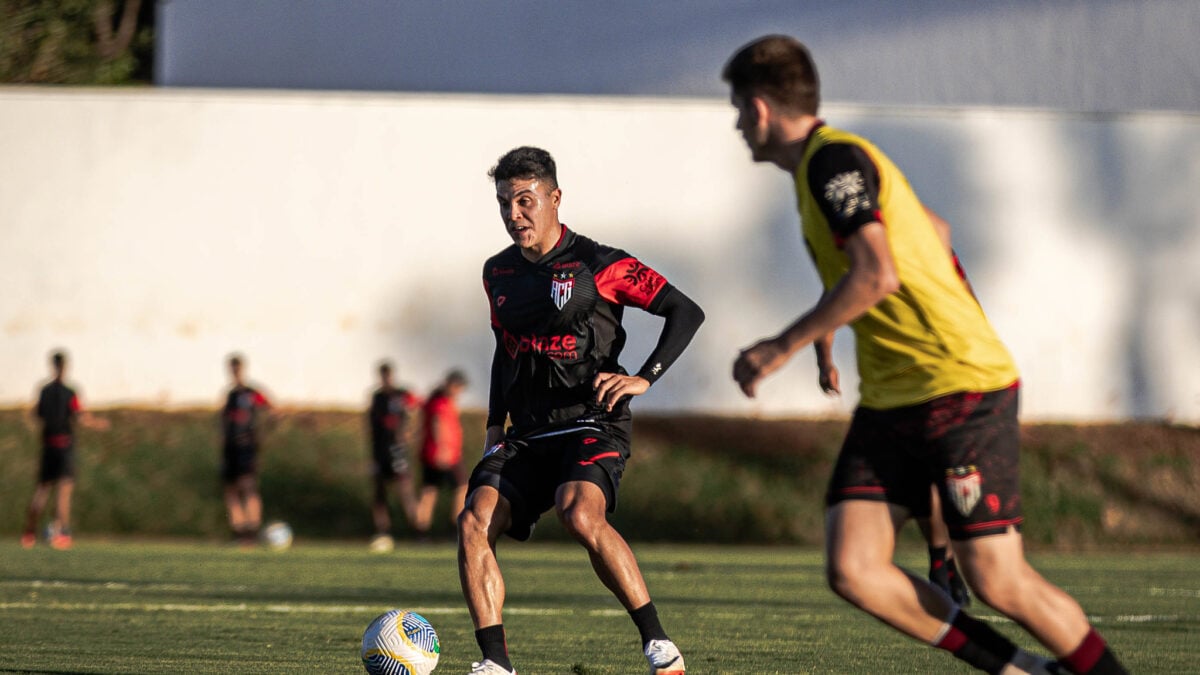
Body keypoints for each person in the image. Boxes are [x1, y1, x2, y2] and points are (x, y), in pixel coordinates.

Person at [724, 35, 1125, 675]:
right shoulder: (819, 173)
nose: (739, 126)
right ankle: (1021, 670)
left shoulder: (833, 163)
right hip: (894, 399)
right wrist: (833, 326)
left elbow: (877, 273)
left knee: (998, 579)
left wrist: (782, 345)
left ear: (762, 108)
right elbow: (927, 232)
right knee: (854, 568)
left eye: (739, 110)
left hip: (958, 386)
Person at [460, 146, 705, 675]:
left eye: (524, 201)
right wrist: (491, 424)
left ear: (554, 198)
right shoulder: (497, 273)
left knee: (578, 511)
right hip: (526, 430)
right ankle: (495, 663)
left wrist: (644, 377)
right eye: (504, 203)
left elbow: (685, 311)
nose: (513, 214)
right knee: (474, 519)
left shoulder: (600, 264)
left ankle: (658, 642)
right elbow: (506, 351)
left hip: (591, 419)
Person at [816, 333, 970, 607]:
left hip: (935, 387)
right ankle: (941, 564)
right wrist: (824, 361)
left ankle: (941, 565)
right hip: (881, 400)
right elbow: (827, 311)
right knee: (914, 483)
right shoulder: (858, 290)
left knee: (929, 477)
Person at [21, 350, 108, 550]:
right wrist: (98, 424)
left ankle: (29, 533)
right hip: (64, 445)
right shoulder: (70, 392)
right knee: (64, 491)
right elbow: (80, 416)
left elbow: (35, 414)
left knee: (42, 489)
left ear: (52, 366)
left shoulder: (44, 391)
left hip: (48, 445)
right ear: (65, 367)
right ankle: (63, 533)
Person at [367, 359, 422, 551]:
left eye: (387, 375)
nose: (385, 379)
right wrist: (372, 455)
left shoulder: (402, 394)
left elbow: (415, 412)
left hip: (398, 451)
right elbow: (372, 428)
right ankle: (383, 531)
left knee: (405, 491)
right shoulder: (377, 397)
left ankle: (418, 530)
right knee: (379, 493)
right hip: (380, 452)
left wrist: (409, 433)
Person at [220, 353, 271, 545]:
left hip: (246, 447)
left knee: (248, 487)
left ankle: (252, 530)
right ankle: (239, 532)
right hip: (230, 448)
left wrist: (262, 433)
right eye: (232, 370)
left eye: (237, 369)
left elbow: (272, 410)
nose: (235, 373)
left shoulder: (252, 393)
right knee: (231, 490)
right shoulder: (230, 395)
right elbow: (224, 423)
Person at [414, 369, 468, 539]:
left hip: (431, 452)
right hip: (445, 454)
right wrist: (443, 448)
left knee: (429, 491)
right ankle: (454, 528)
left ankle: (421, 531)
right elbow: (438, 424)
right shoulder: (441, 403)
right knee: (462, 487)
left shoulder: (434, 401)